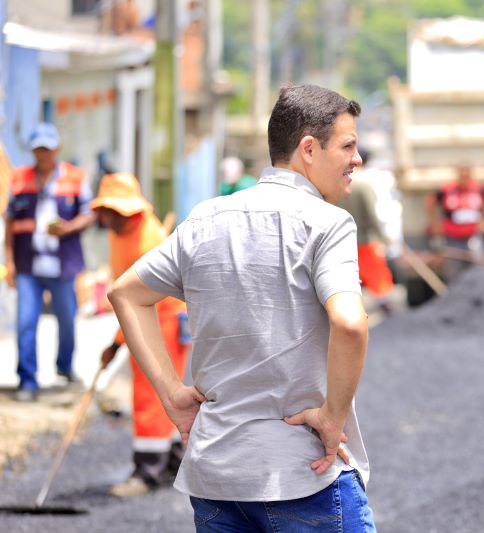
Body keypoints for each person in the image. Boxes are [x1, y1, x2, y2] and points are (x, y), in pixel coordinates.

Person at [107, 85, 375, 530]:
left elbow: (125, 294)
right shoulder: (327, 224)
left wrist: (174, 396)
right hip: (302, 475)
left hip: (215, 480)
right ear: (309, 149)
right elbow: (350, 324)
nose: (357, 158)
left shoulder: (206, 219)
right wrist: (333, 418)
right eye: (348, 145)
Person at [91, 172, 189, 497]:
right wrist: (117, 342)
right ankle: (174, 459)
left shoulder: (147, 238)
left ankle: (148, 469)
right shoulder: (119, 234)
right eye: (107, 211)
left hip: (162, 318)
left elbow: (142, 300)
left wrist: (118, 342)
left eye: (115, 212)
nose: (109, 218)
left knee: (150, 392)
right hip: (145, 313)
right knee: (162, 390)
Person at [4, 123, 94, 402]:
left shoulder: (75, 177)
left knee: (67, 320)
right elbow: (9, 222)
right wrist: (9, 261)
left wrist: (68, 228)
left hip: (62, 264)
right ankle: (27, 380)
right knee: (25, 323)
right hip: (27, 265)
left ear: (56, 148)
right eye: (38, 149)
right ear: (33, 151)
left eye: (47, 149)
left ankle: (64, 366)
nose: (43, 154)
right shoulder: (19, 178)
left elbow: (89, 214)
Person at [338, 150, 395, 314]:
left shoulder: (337, 181)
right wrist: (384, 237)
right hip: (364, 240)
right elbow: (371, 214)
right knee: (378, 279)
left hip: (341, 241)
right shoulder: (363, 184)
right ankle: (387, 309)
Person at [425, 165, 484, 279]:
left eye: (466, 176)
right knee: (454, 268)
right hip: (453, 236)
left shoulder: (477, 188)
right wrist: (434, 223)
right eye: (461, 175)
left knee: (479, 265)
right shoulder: (448, 189)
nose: (464, 179)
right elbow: (430, 201)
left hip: (472, 234)